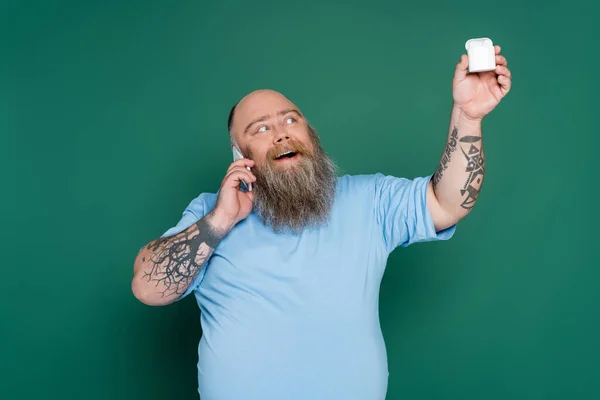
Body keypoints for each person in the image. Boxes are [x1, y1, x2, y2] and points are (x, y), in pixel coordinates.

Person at [132, 46, 511, 400]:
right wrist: (221, 219)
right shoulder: (210, 214)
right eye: (260, 129)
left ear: (309, 135)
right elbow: (148, 288)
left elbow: (448, 203)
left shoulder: (369, 200)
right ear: (240, 155)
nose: (281, 132)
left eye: (291, 119)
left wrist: (468, 115)